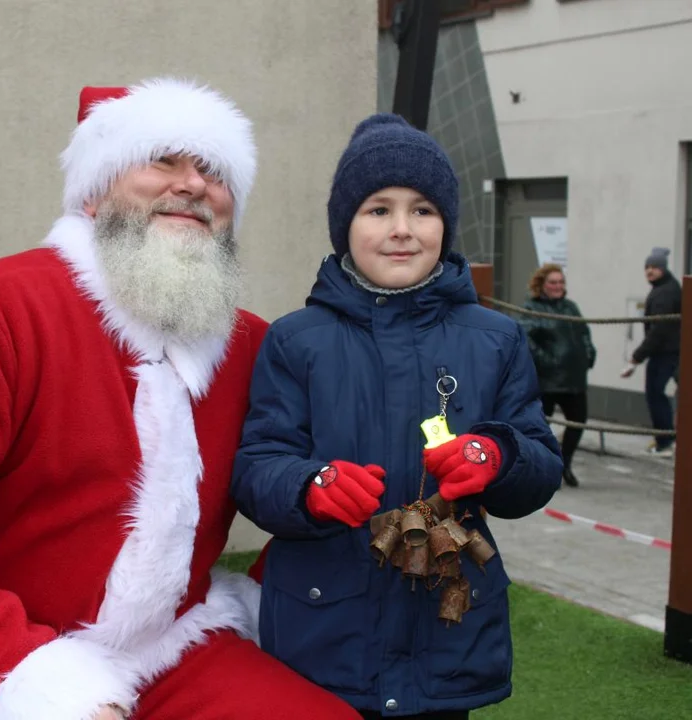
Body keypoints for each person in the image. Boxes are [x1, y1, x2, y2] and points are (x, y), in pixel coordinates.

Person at [0, 79, 360, 720]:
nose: (192, 184)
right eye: (162, 160)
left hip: (166, 648)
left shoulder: (252, 344)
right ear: (96, 191)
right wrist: (36, 683)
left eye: (213, 171)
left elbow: (318, 477)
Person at [231, 113, 563, 719]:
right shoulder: (295, 341)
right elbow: (257, 466)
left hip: (447, 628)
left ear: (447, 225)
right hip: (323, 629)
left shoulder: (496, 339)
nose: (402, 229)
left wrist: (501, 455)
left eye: (423, 210)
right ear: (345, 225)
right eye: (378, 209)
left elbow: (540, 461)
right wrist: (311, 487)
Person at [521, 264, 596, 487]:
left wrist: (589, 355)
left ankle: (566, 463)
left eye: (561, 282)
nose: (558, 286)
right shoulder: (532, 308)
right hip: (548, 380)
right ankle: (544, 468)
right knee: (541, 426)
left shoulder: (571, 307)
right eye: (553, 282)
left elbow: (584, 334)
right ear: (542, 285)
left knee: (578, 422)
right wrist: (547, 361)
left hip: (574, 378)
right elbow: (527, 341)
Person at [621, 247, 681, 457]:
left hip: (665, 352)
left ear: (663, 269)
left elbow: (659, 330)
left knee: (655, 395)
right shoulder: (666, 288)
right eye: (647, 267)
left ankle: (665, 441)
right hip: (669, 350)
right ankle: (666, 439)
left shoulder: (664, 292)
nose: (650, 271)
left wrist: (637, 356)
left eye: (654, 267)